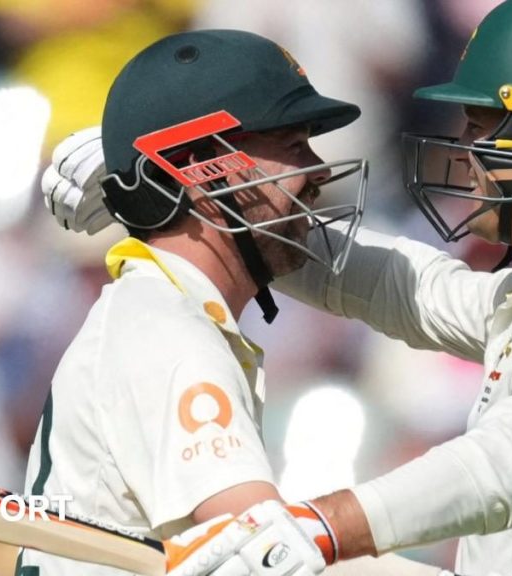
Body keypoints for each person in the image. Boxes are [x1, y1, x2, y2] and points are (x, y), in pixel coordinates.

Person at [157, 1, 512, 575]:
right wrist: (181, 186)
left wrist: (323, 527)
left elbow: (507, 465)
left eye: (480, 129)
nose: (465, 155)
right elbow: (398, 285)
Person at [22, 29, 452, 576]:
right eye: (295, 147)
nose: (319, 170)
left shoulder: (168, 311)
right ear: (203, 169)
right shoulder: (169, 337)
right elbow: (271, 560)